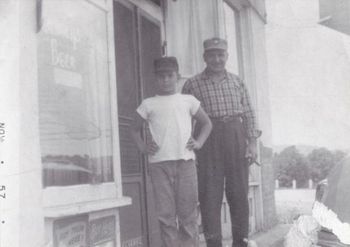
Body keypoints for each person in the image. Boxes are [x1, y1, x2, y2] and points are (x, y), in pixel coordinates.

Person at [182, 37, 261, 247]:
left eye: (220, 55)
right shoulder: (192, 84)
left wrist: (252, 144)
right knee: (209, 196)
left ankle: (240, 243)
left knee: (239, 194)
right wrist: (191, 148)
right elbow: (184, 118)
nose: (216, 59)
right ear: (204, 57)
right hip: (208, 138)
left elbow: (250, 113)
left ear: (227, 56)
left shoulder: (237, 81)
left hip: (236, 135)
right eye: (212, 55)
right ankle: (213, 244)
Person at [130, 56, 212, 247]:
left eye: (169, 75)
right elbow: (133, 129)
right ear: (154, 78)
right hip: (159, 165)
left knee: (188, 216)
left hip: (185, 164)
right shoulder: (148, 104)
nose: (165, 80)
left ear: (178, 76)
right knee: (166, 217)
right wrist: (143, 147)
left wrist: (198, 142)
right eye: (161, 76)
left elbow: (207, 123)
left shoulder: (188, 100)